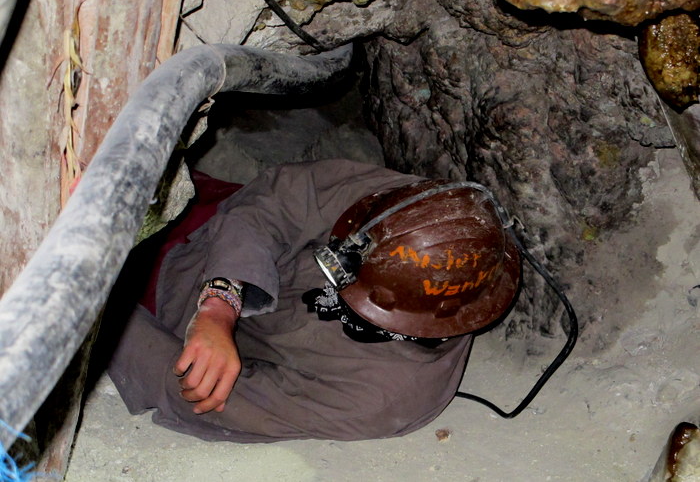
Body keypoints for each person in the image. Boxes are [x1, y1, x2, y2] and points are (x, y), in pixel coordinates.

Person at [107, 158, 520, 442]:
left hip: (160, 298)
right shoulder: (418, 211)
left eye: (347, 271)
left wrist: (100, 316)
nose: (333, 265)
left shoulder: (380, 395)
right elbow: (279, 196)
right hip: (213, 215)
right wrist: (221, 301)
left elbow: (193, 391)